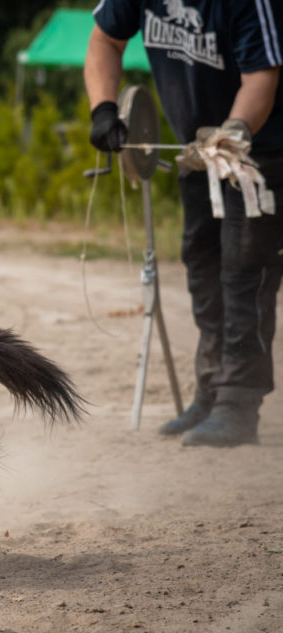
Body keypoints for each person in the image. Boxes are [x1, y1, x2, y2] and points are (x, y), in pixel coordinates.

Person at [84, 0, 283, 447]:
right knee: (202, 265)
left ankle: (237, 404)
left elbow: (262, 80)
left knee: (244, 271)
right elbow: (104, 40)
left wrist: (229, 136)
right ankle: (211, 392)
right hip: (193, 150)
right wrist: (103, 108)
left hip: (258, 151)